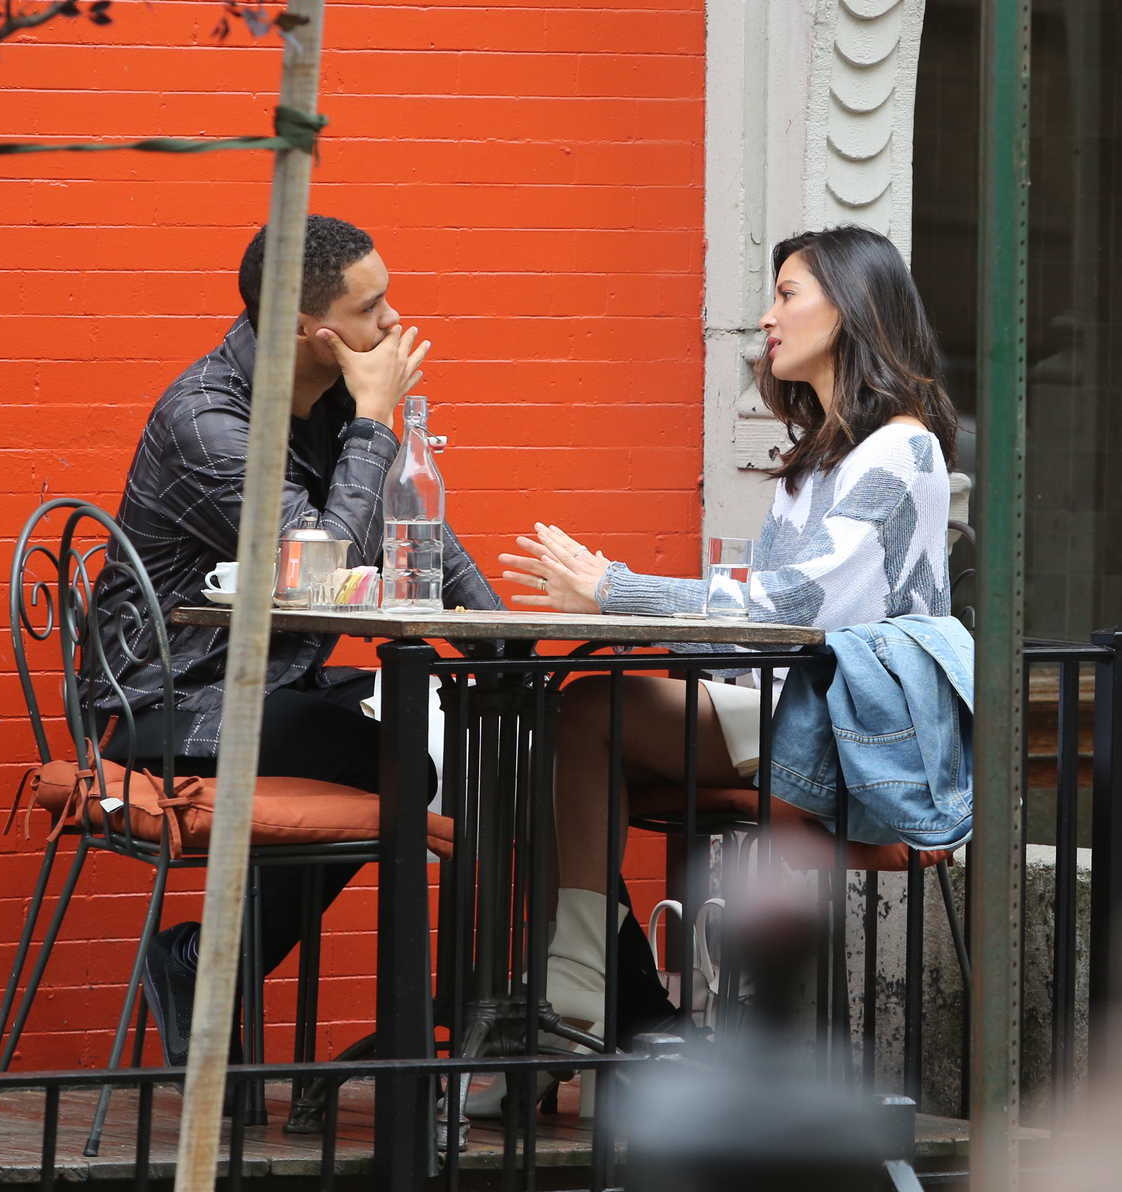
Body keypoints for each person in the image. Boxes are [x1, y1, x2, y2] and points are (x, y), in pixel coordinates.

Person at [500, 225, 960, 1035]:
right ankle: (588, 980)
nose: (766, 317)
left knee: (587, 714)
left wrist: (619, 590)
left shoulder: (902, 450)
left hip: (859, 726)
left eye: (787, 294)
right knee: (569, 717)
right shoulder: (818, 459)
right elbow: (770, 627)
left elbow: (792, 605)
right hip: (794, 702)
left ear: (850, 311)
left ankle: (583, 982)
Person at [95, 214, 500, 1065]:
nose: (393, 323)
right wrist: (378, 421)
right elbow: (321, 574)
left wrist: (507, 658)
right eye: (372, 308)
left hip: (269, 688)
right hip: (167, 705)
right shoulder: (209, 420)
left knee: (496, 740)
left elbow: (417, 532)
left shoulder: (334, 406)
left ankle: (549, 1011)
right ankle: (207, 967)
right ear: (314, 334)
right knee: (402, 762)